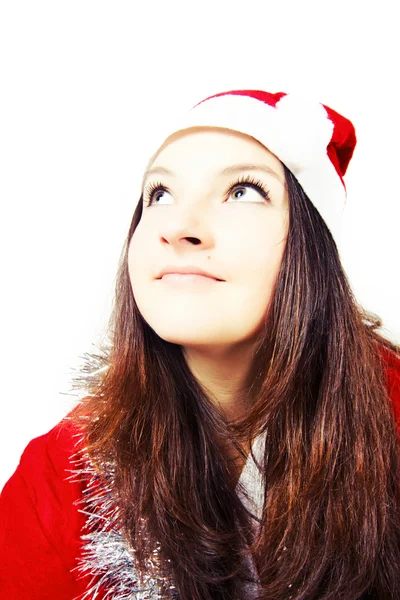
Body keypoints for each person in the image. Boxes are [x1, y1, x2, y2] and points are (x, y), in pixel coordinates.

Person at [1, 89, 400, 600]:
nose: (179, 228)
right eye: (160, 195)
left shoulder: (390, 420)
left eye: (243, 191)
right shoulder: (62, 474)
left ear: (312, 247)